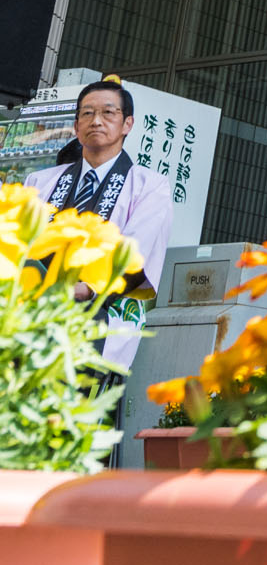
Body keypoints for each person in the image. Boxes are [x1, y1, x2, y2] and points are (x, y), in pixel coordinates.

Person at [23, 76, 172, 368]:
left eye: (108, 112)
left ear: (127, 124)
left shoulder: (149, 186)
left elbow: (132, 253)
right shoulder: (40, 181)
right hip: (30, 307)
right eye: (87, 113)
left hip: (98, 315)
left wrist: (84, 288)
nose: (96, 121)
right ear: (76, 126)